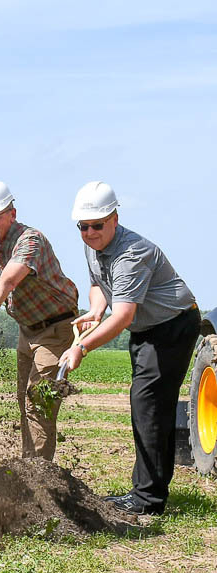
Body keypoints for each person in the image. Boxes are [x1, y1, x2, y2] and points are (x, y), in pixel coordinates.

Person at [59, 181, 200, 515]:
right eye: (83, 226)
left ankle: (147, 500)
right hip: (148, 328)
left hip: (172, 326)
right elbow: (98, 284)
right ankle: (149, 491)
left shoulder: (131, 254)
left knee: (148, 404)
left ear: (115, 218)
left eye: (97, 225)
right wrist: (95, 310)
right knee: (152, 406)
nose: (90, 232)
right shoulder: (93, 245)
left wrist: (82, 348)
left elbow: (122, 315)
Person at [0, 179, 80, 460]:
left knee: (39, 401)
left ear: (12, 213)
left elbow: (6, 283)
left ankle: (40, 479)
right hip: (27, 329)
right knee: (25, 401)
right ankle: (28, 467)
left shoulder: (30, 240)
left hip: (55, 328)